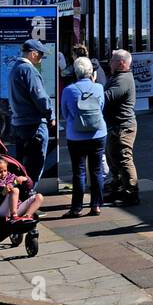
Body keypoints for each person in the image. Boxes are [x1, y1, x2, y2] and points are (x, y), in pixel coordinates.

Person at [60, 57, 106, 216]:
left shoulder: (68, 90)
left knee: (79, 172)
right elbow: (101, 107)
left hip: (76, 136)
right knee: (97, 170)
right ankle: (96, 205)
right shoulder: (99, 88)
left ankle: (77, 207)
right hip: (98, 134)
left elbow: (64, 114)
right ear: (91, 72)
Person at [8, 39, 56, 186]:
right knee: (34, 167)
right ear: (33, 54)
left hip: (19, 123)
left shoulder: (15, 69)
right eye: (40, 55)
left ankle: (21, 200)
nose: (41, 58)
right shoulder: (29, 71)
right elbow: (40, 97)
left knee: (22, 166)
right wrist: (51, 115)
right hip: (34, 125)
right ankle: (28, 199)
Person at [103, 49, 139, 206]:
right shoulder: (117, 77)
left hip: (123, 127)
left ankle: (131, 192)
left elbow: (107, 97)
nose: (109, 62)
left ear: (122, 63)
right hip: (115, 126)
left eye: (112, 60)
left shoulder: (123, 79)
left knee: (124, 159)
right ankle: (118, 188)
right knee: (113, 158)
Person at [0, 155, 43, 223]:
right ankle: (14, 216)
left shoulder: (11, 176)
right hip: (0, 210)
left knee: (39, 197)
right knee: (15, 190)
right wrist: (2, 194)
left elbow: (29, 187)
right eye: (0, 172)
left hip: (17, 207)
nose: (3, 174)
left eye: (5, 171)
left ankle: (27, 216)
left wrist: (26, 179)